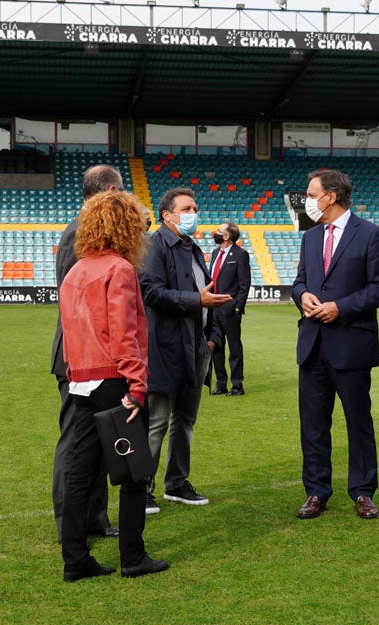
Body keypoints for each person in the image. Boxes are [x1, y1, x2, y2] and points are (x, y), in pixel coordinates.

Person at [59, 190, 168, 581]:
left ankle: (75, 559)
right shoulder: (118, 269)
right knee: (135, 474)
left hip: (81, 382)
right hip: (114, 381)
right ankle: (133, 557)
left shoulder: (77, 270)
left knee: (80, 474)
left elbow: (72, 333)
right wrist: (137, 385)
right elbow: (125, 334)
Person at [291, 169, 379, 520]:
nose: (307, 200)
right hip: (312, 345)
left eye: (310, 193)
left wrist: (341, 308)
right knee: (314, 423)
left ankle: (363, 491)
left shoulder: (370, 234)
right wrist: (302, 295)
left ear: (331, 196)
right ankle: (316, 491)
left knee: (358, 421)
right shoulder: (309, 237)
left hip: (351, 344)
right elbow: (300, 281)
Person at [139, 187, 232, 514]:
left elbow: (208, 293)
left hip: (196, 346)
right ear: (167, 215)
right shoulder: (154, 246)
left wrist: (212, 337)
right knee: (158, 421)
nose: (195, 213)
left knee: (186, 420)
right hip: (164, 347)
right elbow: (150, 292)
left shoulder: (193, 249)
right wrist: (197, 302)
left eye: (195, 207)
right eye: (188, 208)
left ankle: (177, 483)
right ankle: (143, 489)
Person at [50, 164, 123, 542]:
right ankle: (70, 522)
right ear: (110, 189)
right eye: (121, 192)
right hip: (80, 355)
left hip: (96, 354)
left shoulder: (89, 229)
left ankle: (94, 518)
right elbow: (76, 299)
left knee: (97, 440)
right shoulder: (80, 231)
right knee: (76, 442)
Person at [208, 221, 251, 396]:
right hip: (213, 308)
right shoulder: (215, 252)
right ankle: (220, 384)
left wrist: (237, 308)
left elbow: (244, 283)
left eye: (218, 231)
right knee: (216, 347)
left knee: (234, 347)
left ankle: (237, 385)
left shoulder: (240, 254)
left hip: (230, 309)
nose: (215, 233)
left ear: (226, 236)